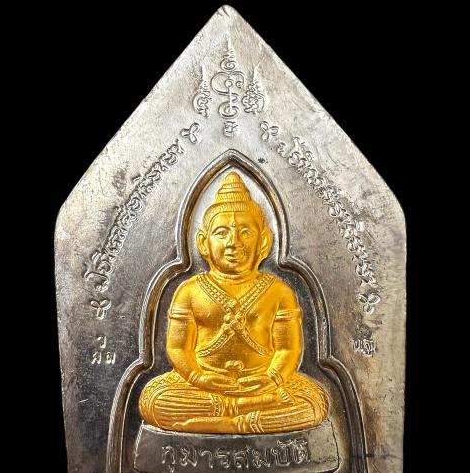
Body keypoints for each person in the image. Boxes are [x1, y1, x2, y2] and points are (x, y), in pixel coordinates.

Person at [139, 171, 329, 434]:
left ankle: (227, 420)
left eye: (245, 232)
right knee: (153, 400)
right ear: (203, 242)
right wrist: (198, 377)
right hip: (205, 386)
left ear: (264, 242)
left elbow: (288, 349)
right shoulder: (190, 291)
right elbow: (177, 347)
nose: (233, 243)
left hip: (262, 384)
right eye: (222, 232)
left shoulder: (279, 291)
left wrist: (271, 377)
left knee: (315, 401)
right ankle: (241, 416)